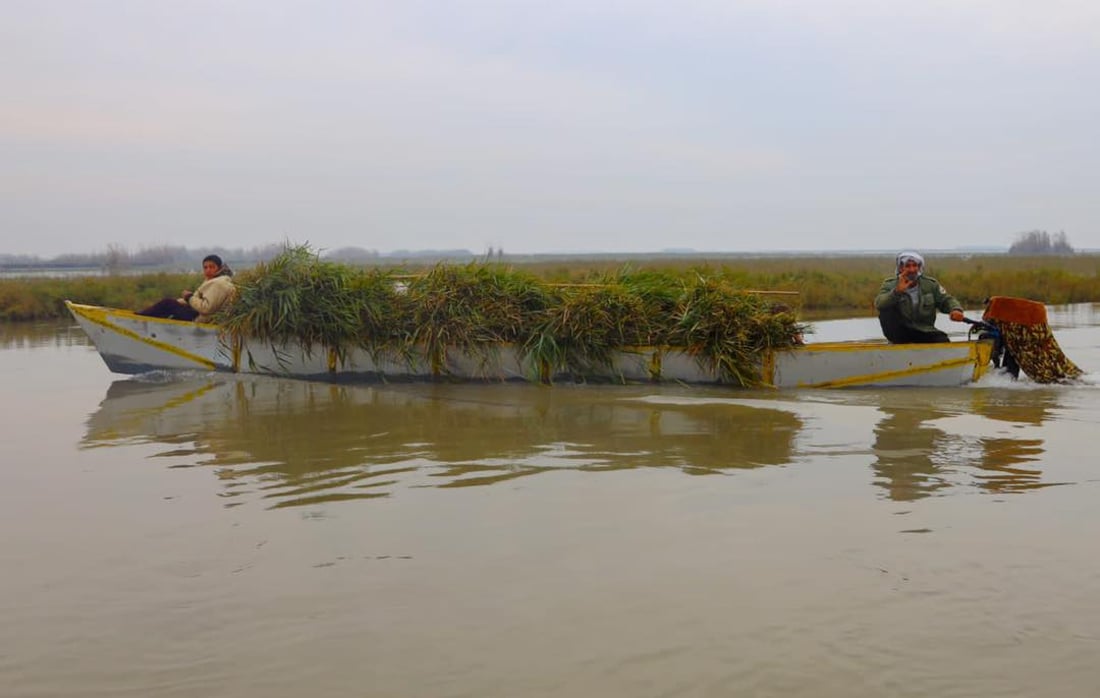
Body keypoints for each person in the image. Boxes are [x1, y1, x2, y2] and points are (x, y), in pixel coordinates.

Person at [874, 251, 964, 343]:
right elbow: (879, 303)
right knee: (886, 309)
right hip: (900, 333)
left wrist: (956, 309)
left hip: (924, 330)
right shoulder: (889, 285)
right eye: (908, 266)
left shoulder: (930, 285)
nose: (912, 270)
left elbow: (946, 300)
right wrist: (897, 292)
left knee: (942, 340)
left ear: (919, 267)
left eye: (915, 266)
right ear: (901, 268)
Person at [136, 254, 235, 323]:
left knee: (167, 303)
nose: (208, 270)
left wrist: (189, 297)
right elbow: (200, 300)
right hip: (198, 313)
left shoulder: (219, 284)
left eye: (211, 267)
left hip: (201, 318)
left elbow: (206, 308)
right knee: (172, 306)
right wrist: (182, 301)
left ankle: (139, 319)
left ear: (219, 268)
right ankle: (147, 319)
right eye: (205, 267)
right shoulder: (216, 281)